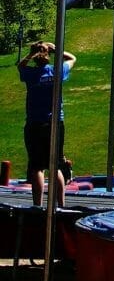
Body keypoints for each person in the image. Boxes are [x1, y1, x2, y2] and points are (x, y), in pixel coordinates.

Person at [17, 41, 77, 207]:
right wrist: (55, 49)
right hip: (55, 122)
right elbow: (72, 58)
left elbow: (21, 65)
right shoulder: (56, 72)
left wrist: (30, 54)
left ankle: (37, 204)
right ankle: (61, 204)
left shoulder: (30, 74)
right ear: (48, 56)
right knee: (55, 165)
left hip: (35, 123)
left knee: (37, 167)